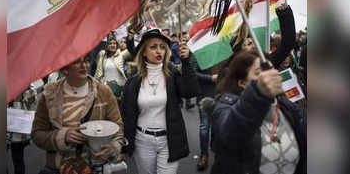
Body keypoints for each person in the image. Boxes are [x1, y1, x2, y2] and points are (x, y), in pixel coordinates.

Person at [205, 51, 306, 174]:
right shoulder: (224, 107)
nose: (268, 76)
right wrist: (257, 93)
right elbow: (230, 134)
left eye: (270, 70)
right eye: (259, 73)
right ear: (242, 83)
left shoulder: (287, 108)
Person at [121, 28, 200, 174]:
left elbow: (190, 92)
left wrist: (186, 62)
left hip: (169, 140)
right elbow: (126, 114)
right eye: (153, 47)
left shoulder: (172, 73)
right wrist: (124, 143)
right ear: (144, 52)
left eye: (162, 47)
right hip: (142, 141)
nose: (159, 51)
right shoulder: (133, 81)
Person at [31, 55, 125, 174]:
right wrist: (63, 136)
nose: (84, 66)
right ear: (64, 68)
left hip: (94, 167)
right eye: (77, 62)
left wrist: (114, 147)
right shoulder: (49, 94)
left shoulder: (103, 92)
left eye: (86, 60)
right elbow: (37, 134)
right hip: (59, 168)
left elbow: (118, 126)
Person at [217, 3, 296, 82]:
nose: (253, 43)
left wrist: (285, 14)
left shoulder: (265, 62)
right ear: (240, 53)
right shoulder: (229, 73)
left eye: (252, 41)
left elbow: (288, 44)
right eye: (248, 44)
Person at [188, 56, 217, 171]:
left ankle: (216, 148)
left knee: (218, 126)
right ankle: (204, 155)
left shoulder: (223, 49)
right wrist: (211, 78)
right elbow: (193, 73)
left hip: (221, 94)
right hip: (205, 95)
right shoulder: (199, 51)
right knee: (204, 127)